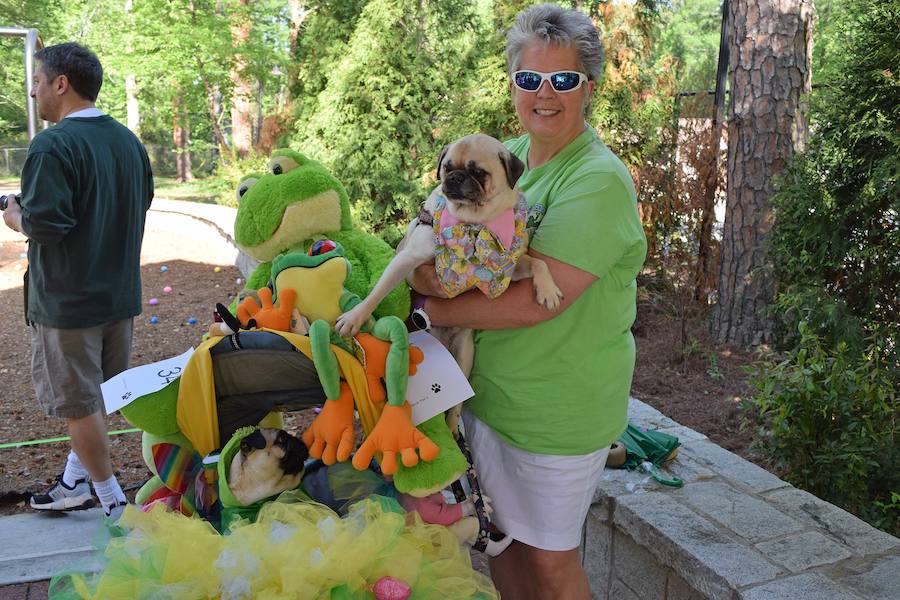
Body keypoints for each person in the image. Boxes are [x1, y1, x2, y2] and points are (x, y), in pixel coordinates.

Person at [408, 4, 646, 598]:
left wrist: (428, 307)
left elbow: (534, 303)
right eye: (530, 79)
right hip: (489, 398)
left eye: (563, 79)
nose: (546, 94)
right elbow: (428, 243)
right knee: (500, 544)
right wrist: (429, 276)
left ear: (587, 88)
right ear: (512, 84)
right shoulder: (504, 157)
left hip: (556, 412)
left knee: (549, 563)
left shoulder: (596, 180)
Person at [2, 42, 153, 518]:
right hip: (118, 296)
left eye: (38, 81)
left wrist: (13, 217)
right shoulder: (128, 141)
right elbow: (138, 202)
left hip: (68, 305)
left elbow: (46, 225)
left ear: (61, 84)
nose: (33, 92)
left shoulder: (52, 144)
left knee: (78, 404)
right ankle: (73, 481)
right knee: (95, 397)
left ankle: (111, 503)